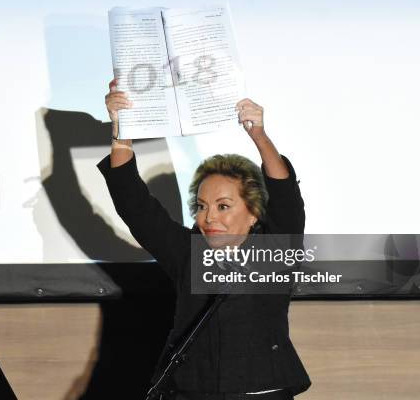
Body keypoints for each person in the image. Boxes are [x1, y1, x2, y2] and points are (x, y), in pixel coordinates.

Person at [97, 78, 311, 399]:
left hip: (261, 389)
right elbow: (133, 203)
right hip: (189, 389)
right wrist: (121, 130)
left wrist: (258, 135)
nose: (209, 217)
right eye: (201, 206)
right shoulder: (187, 253)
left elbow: (284, 194)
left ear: (253, 212)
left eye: (223, 206)